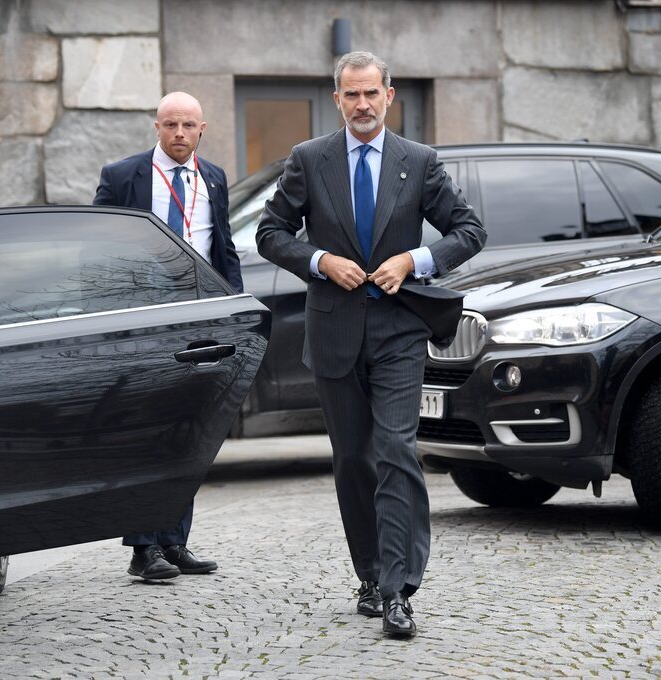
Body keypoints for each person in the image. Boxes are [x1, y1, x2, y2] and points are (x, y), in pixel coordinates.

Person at [256, 51, 485, 637]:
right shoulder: (310, 160)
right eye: (351, 95)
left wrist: (415, 259)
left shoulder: (419, 161)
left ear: (389, 95)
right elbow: (270, 233)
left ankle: (398, 588)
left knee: (396, 451)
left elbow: (469, 231)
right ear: (338, 100)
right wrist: (319, 260)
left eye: (371, 94)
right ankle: (369, 572)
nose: (362, 105)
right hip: (332, 330)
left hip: (399, 331)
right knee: (354, 460)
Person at [94, 91, 243, 580]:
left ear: (203, 130)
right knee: (146, 431)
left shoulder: (214, 178)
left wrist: (235, 311)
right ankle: (144, 550)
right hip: (141, 321)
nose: (179, 134)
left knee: (189, 431)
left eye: (188, 126)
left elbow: (223, 247)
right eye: (170, 125)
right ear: (156, 128)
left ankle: (175, 541)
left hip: (198, 321)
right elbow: (98, 248)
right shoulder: (123, 177)